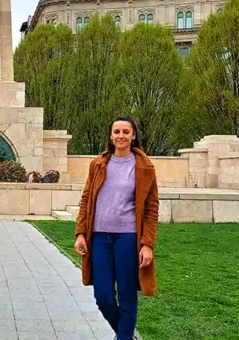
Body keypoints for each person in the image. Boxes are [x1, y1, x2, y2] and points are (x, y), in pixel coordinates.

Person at [74, 116, 160, 340]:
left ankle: (124, 336)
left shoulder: (144, 167)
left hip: (128, 238)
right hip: (99, 238)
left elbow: (151, 209)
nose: (121, 136)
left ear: (133, 135)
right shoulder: (98, 164)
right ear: (111, 136)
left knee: (127, 296)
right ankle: (126, 334)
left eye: (125, 132)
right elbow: (86, 199)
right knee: (103, 297)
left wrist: (147, 244)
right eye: (117, 132)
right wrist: (81, 233)